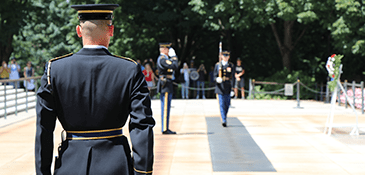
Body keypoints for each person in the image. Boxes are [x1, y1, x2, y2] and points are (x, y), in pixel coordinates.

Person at [35, 4, 155, 175]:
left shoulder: (55, 69)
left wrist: (43, 172)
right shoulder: (129, 69)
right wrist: (143, 172)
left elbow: (43, 128)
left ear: (79, 31)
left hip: (70, 164)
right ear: (111, 30)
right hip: (116, 164)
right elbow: (142, 124)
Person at [157, 42, 178, 134]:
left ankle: (166, 127)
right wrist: (174, 57)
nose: (169, 51)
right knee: (165, 107)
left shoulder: (165, 58)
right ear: (164, 50)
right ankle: (165, 128)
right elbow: (174, 66)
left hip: (167, 84)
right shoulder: (162, 59)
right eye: (168, 49)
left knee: (167, 107)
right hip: (165, 85)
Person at [214, 50, 235, 127]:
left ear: (228, 57)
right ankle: (223, 119)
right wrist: (217, 79)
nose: (225, 58)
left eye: (227, 56)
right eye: (224, 56)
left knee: (227, 104)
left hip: (228, 86)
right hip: (220, 87)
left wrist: (232, 88)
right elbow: (214, 76)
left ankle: (224, 116)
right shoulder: (218, 65)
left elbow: (232, 78)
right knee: (221, 104)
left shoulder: (231, 65)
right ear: (222, 56)